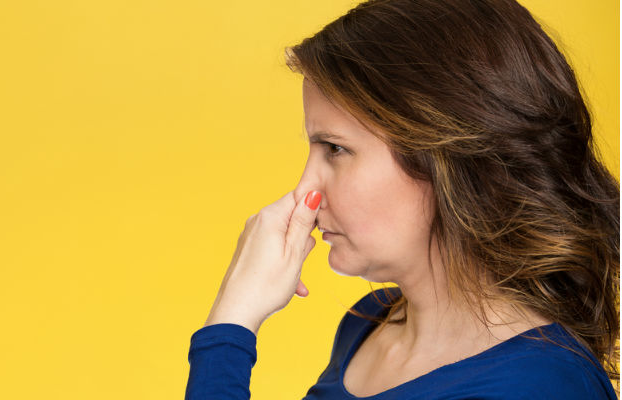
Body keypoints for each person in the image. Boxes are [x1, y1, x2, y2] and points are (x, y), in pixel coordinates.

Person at [185, 0, 620, 398]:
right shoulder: (368, 323)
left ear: (445, 159)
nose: (305, 191)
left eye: (335, 148)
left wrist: (229, 327)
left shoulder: (540, 388)